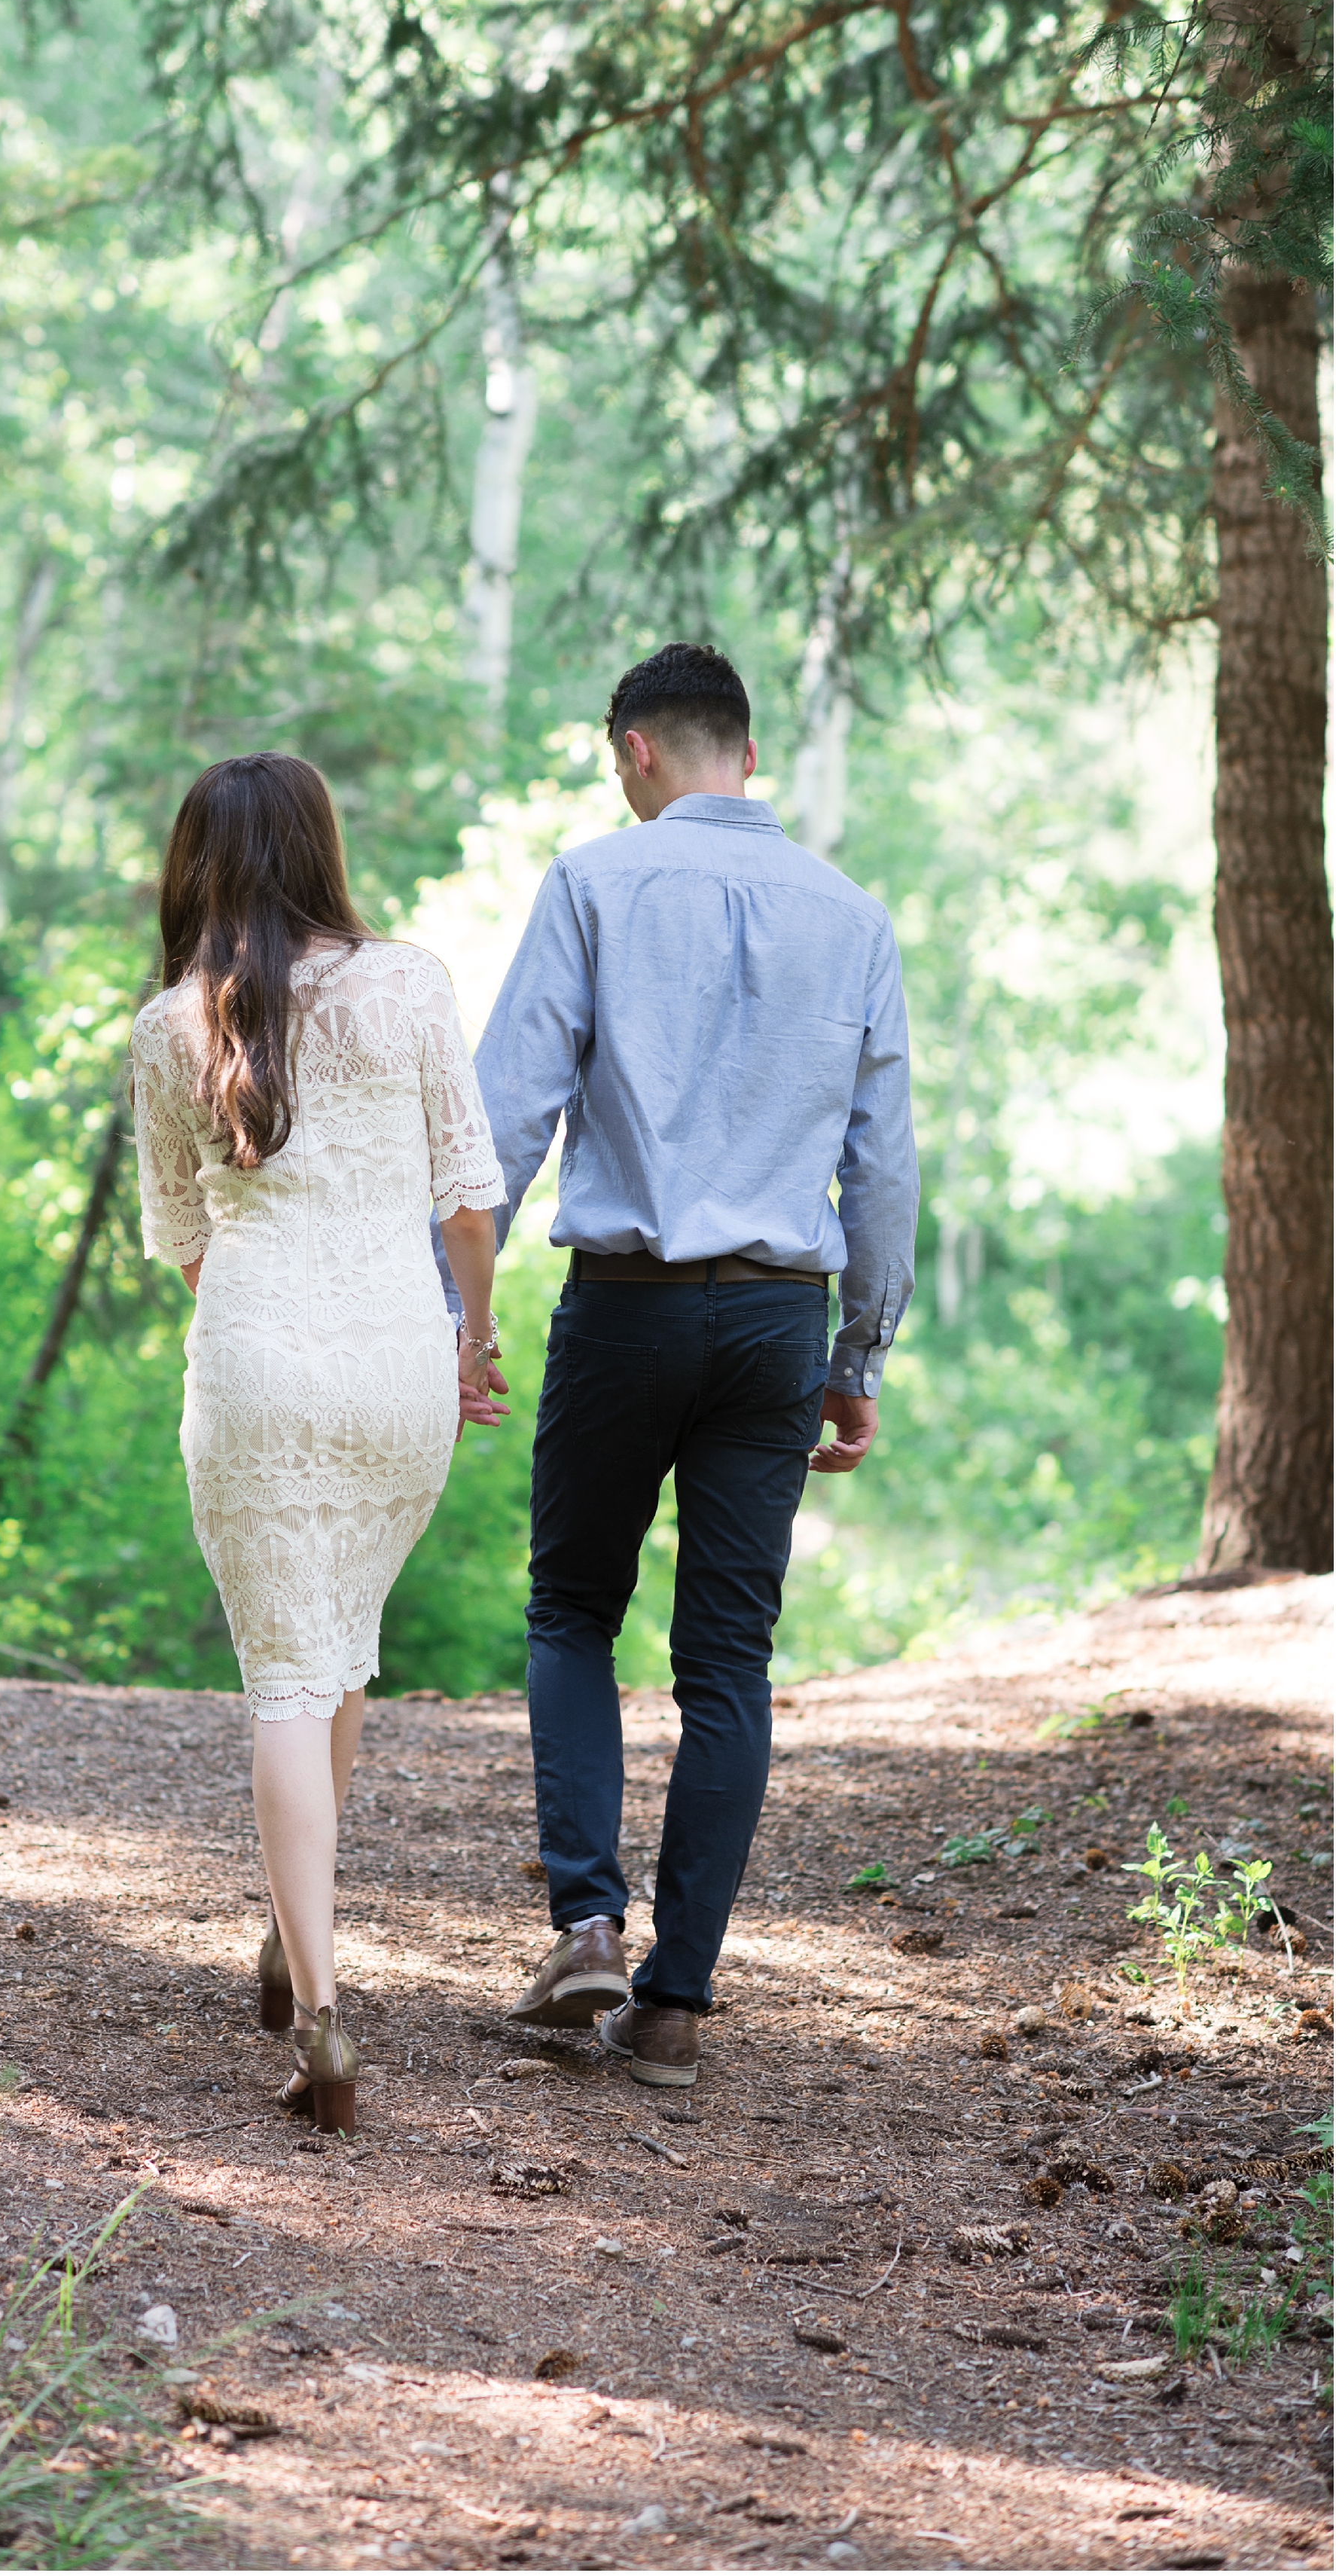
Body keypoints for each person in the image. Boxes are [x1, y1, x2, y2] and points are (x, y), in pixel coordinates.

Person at [453, 643, 918, 2087]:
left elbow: (504, 1117)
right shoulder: (854, 919)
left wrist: (449, 1310)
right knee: (728, 1659)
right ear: (750, 759)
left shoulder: (595, 882)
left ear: (635, 749)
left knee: (573, 1609)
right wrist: (861, 1348)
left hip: (629, 1307)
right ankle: (675, 2006)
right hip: (779, 1322)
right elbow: (881, 1165)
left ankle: (587, 1919)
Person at [131, 752, 507, 2132]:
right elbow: (470, 1197)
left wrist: (255, 1332)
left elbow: (181, 1238)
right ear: (319, 847)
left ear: (200, 864)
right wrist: (473, 1337)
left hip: (257, 1352)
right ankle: (299, 1947)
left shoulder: (171, 1024)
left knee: (291, 1668)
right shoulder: (410, 981)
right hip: (398, 1355)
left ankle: (322, 2006)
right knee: (338, 1639)